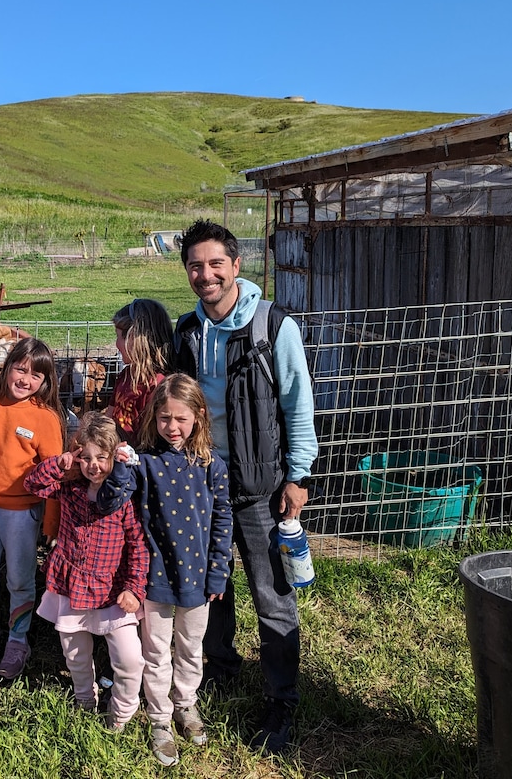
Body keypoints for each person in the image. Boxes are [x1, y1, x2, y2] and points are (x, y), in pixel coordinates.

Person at [174, 218, 318, 755]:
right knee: (215, 587)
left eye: (215, 263)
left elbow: (298, 406)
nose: (205, 273)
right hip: (204, 484)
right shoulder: (186, 332)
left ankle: (282, 698)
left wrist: (298, 476)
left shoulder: (272, 327)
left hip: (261, 487)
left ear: (236, 266)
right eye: (195, 265)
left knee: (273, 594)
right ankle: (222, 666)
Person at [129, 374, 232, 767]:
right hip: (155, 578)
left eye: (181, 419)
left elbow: (223, 520)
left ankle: (185, 703)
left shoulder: (211, 465)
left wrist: (218, 571)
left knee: (191, 648)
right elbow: (119, 501)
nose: (172, 428)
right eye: (164, 418)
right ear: (153, 418)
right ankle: (159, 719)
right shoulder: (144, 463)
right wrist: (122, 464)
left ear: (199, 417)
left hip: (198, 577)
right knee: (155, 651)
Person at [24, 412, 148, 731]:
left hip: (112, 591)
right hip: (72, 586)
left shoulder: (124, 496)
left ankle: (122, 709)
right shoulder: (71, 489)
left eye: (101, 458)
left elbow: (137, 544)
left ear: (115, 456)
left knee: (129, 657)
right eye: (87, 458)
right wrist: (63, 462)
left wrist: (135, 587)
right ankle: (84, 698)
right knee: (76, 654)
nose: (93, 466)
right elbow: (33, 483)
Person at [0, 336, 66, 681]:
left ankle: (19, 639)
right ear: (7, 368)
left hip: (23, 514)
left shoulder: (45, 418)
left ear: (45, 381)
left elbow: (54, 474)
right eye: (20, 370)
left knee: (20, 579)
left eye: (35, 375)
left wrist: (51, 522)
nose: (25, 380)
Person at [108, 298, 173, 444]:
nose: (116, 344)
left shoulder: (158, 385)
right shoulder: (125, 376)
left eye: (118, 337)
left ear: (135, 338)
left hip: (138, 461)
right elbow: (109, 417)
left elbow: (154, 437)